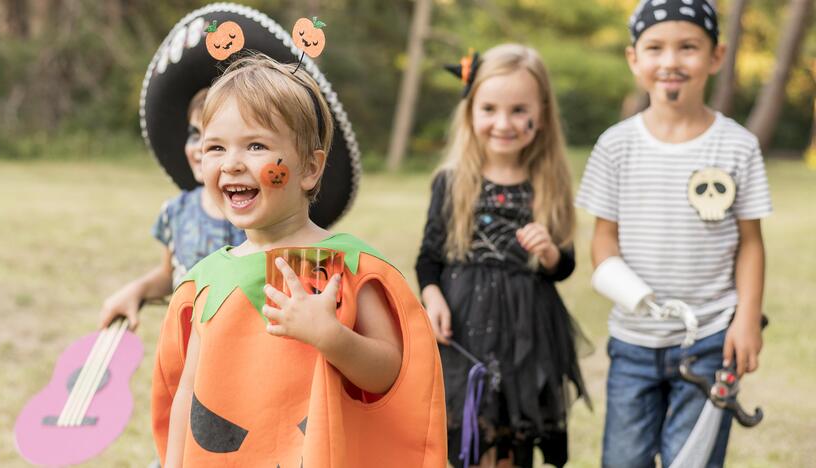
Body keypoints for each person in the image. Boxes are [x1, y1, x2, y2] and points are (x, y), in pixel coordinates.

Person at [153, 54, 446, 467]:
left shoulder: (343, 266)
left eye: (256, 146)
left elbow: (390, 373)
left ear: (309, 167)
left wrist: (332, 337)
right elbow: (190, 393)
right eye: (215, 147)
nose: (232, 162)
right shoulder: (208, 280)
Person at [576, 1, 772, 466]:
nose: (670, 62)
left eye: (688, 47)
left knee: (695, 460)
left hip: (710, 339)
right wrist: (632, 292)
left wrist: (746, 319)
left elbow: (750, 243)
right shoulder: (616, 145)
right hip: (634, 341)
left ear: (716, 57)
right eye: (655, 48)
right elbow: (603, 241)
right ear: (634, 59)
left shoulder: (738, 146)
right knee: (624, 459)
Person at [415, 44, 589, 468]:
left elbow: (564, 266)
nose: (503, 123)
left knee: (514, 433)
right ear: (471, 110)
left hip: (526, 333)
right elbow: (429, 257)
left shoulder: (549, 181)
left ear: (542, 114)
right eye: (490, 109)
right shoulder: (453, 181)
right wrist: (432, 296)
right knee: (467, 433)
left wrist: (549, 252)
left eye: (518, 110)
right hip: (465, 326)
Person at [98, 87, 245, 330]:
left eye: (215, 140)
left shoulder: (257, 214)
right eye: (195, 135)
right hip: (185, 346)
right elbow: (171, 274)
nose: (200, 148)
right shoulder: (176, 212)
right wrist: (137, 290)